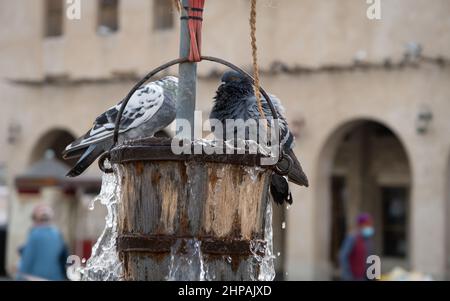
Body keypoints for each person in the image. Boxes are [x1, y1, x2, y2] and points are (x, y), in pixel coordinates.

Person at [17, 204, 68, 281]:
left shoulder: (35, 234)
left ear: (36, 220)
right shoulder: (57, 234)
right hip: (56, 276)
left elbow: (27, 261)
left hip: (36, 277)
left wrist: (19, 276)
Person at [339, 213, 375, 281]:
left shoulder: (368, 241)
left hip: (363, 277)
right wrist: (347, 276)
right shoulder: (352, 238)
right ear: (360, 225)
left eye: (370, 224)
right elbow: (343, 256)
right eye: (367, 224)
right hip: (352, 277)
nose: (370, 226)